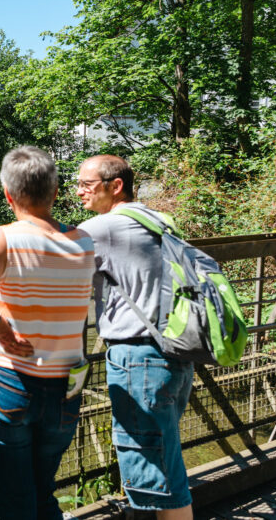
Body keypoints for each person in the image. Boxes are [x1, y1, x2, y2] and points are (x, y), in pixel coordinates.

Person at [0, 146, 95, 519]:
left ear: (7, 194)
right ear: (56, 193)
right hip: (65, 387)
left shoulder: (2, 239)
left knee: (16, 499)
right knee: (43, 491)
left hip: (9, 382)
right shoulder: (83, 242)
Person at [76, 155, 194, 520]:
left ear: (116, 186)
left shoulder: (101, 228)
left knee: (158, 476)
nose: (78, 191)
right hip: (175, 353)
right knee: (165, 462)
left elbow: (47, 262)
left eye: (87, 184)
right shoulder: (159, 219)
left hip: (139, 358)